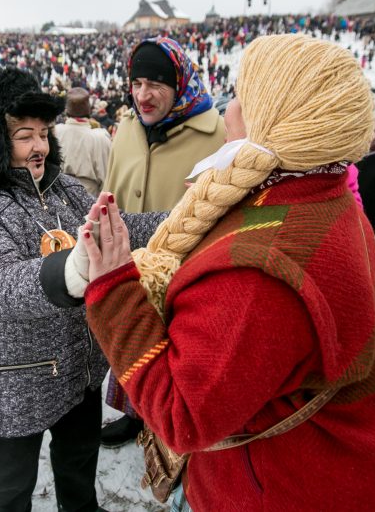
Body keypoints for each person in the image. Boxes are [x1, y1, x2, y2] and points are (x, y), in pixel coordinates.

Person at [82, 35, 375, 511]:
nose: (228, 110)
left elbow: (182, 415)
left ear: (276, 119)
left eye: (242, 97)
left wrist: (113, 289)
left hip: (280, 488)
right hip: (321, 466)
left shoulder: (260, 274)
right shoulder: (320, 192)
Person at [0, 67, 162, 512]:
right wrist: (74, 268)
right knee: (11, 483)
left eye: (44, 133)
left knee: (79, 461)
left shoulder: (64, 188)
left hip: (76, 368)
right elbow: (0, 283)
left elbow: (118, 229)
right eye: (24, 136)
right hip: (12, 381)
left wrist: (180, 218)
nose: (40, 146)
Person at [100, 36, 226, 446]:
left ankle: (169, 426)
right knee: (132, 339)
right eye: (136, 83)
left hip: (185, 268)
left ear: (179, 82)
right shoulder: (126, 130)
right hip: (130, 261)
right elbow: (111, 186)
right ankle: (136, 415)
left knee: (175, 353)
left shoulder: (216, 134)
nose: (143, 95)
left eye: (155, 83)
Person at [54, 87, 111, 195]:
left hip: (60, 198)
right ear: (89, 109)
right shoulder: (100, 138)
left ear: (67, 110)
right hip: (89, 202)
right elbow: (107, 180)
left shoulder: (56, 132)